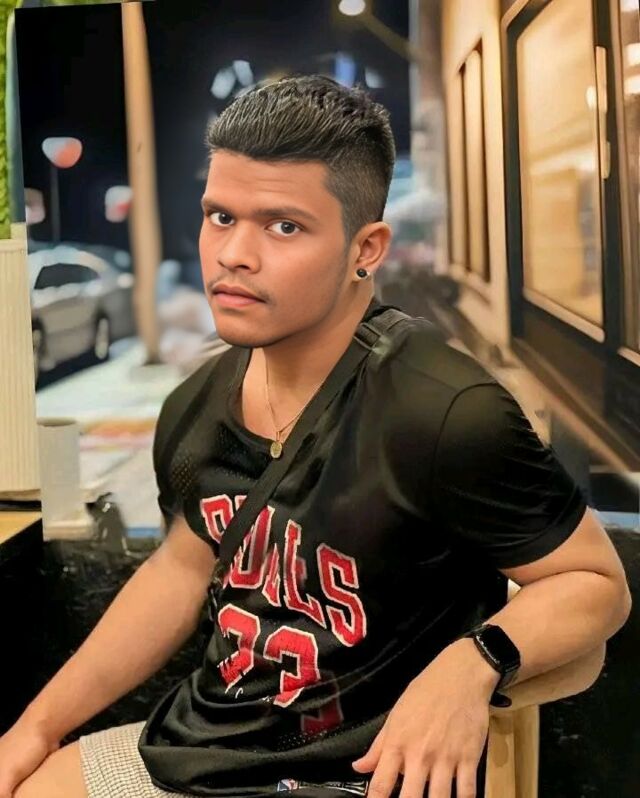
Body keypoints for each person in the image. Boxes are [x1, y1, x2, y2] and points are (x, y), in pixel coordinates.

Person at [0, 75, 631, 798]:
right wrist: (36, 727)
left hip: (365, 769)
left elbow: (595, 585)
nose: (234, 253)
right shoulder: (196, 406)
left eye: (283, 227)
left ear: (367, 248)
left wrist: (473, 662)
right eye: (220, 216)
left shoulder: (443, 410)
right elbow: (180, 569)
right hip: (206, 748)